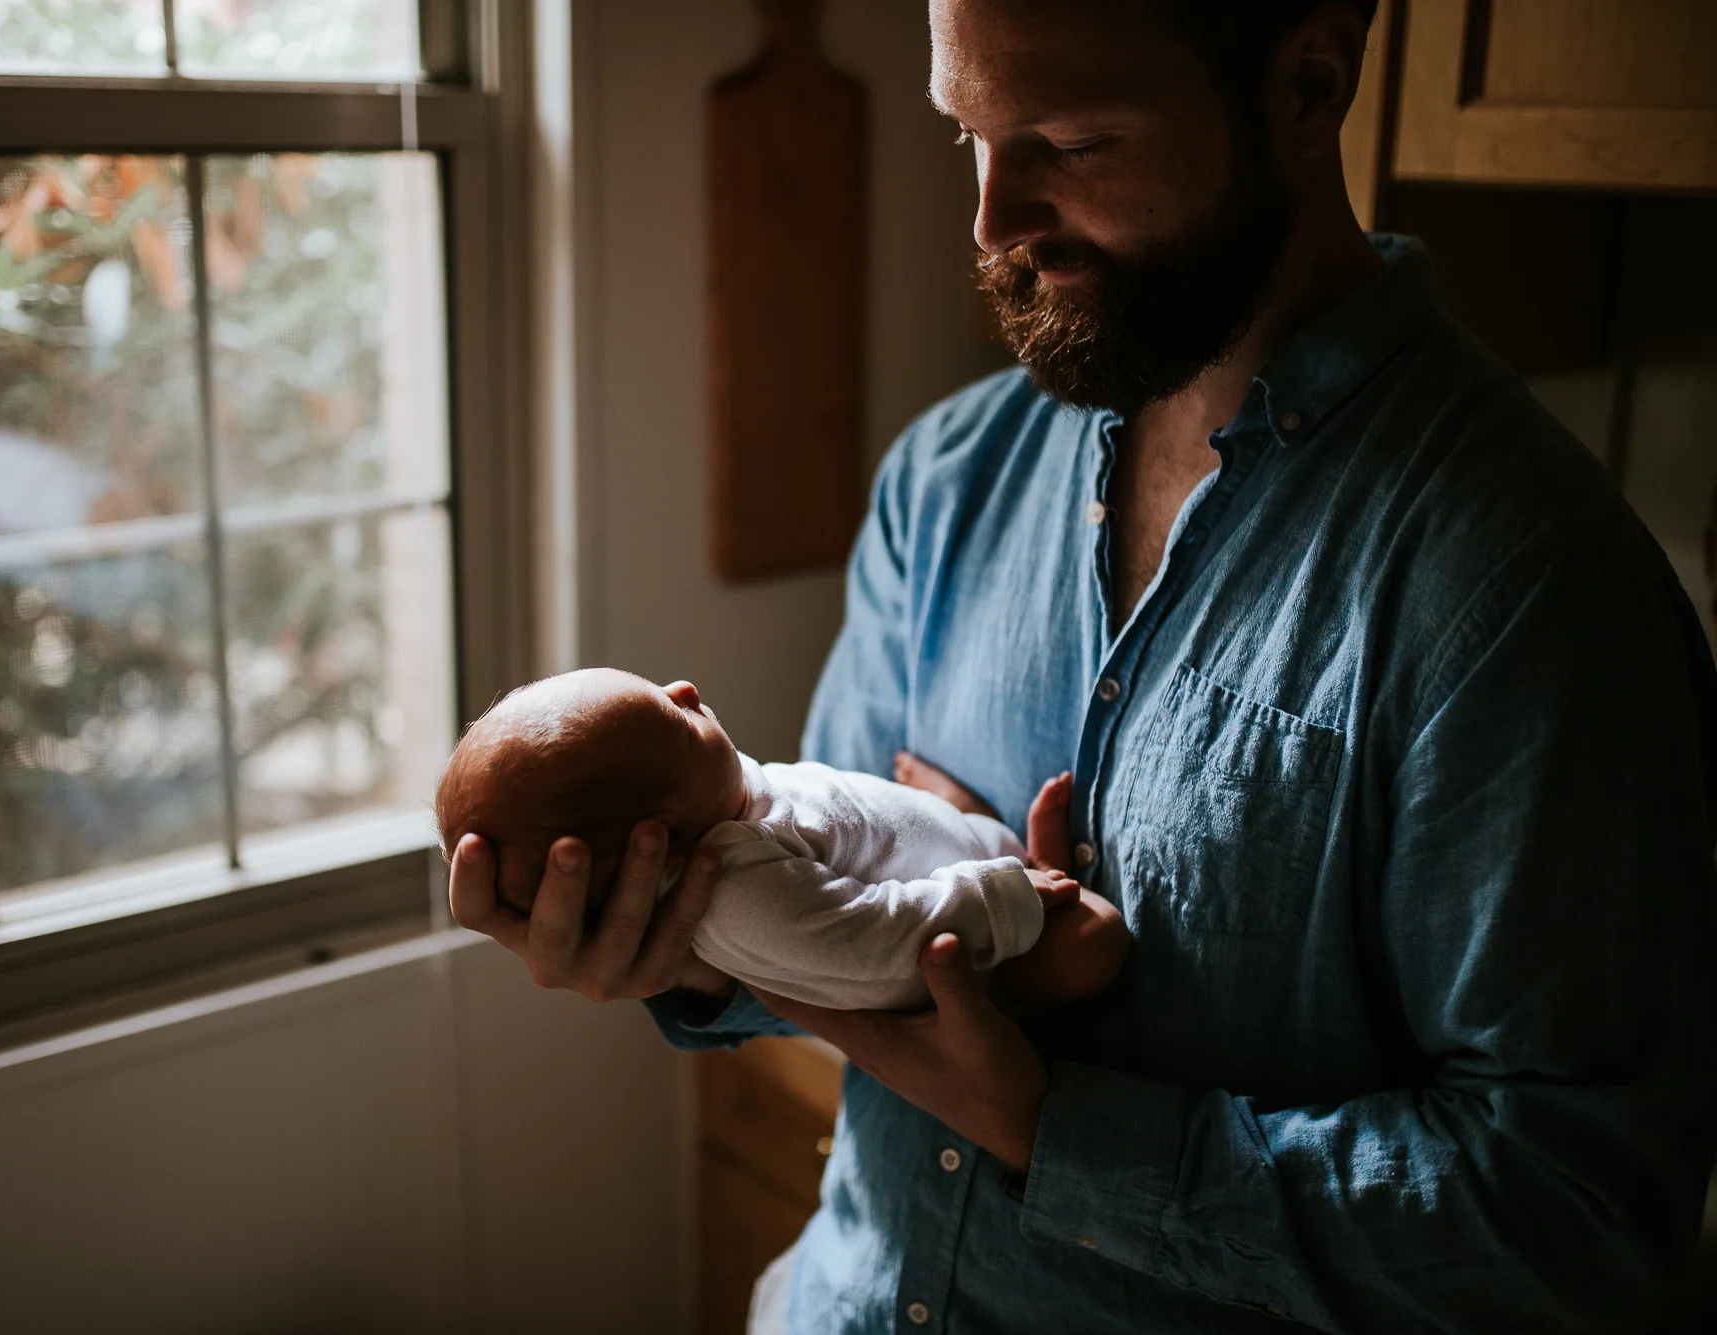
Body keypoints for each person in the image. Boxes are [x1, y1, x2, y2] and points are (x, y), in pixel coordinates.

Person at [450, 0, 1717, 1329]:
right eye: (971, 133)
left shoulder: (1527, 591)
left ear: (1309, 80)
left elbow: (1578, 1222)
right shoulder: (942, 486)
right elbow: (816, 893)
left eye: (1071, 138)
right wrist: (696, 943)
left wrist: (1048, 1119)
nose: (994, 221)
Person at [433, 667, 1128, 1011]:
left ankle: (1003, 844)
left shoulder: (725, 796)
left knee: (928, 794)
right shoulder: (740, 893)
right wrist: (1001, 898)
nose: (684, 689)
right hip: (987, 962)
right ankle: (1031, 879)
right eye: (672, 720)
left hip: (959, 853)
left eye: (656, 688)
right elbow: (877, 943)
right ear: (663, 842)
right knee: (1096, 945)